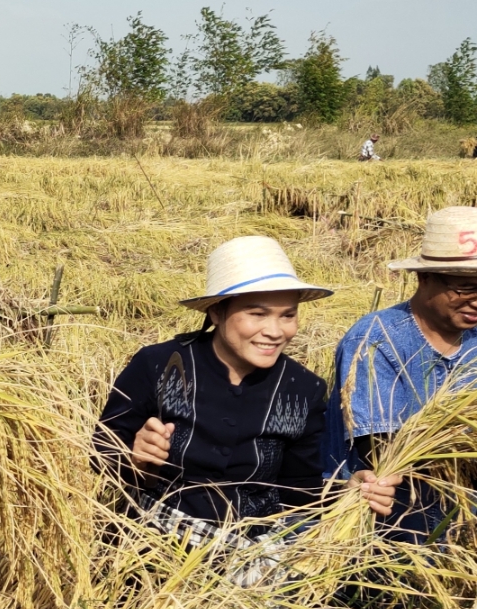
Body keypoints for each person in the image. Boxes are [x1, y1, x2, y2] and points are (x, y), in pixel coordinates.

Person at [95, 236, 395, 552]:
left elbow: (299, 495)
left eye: (288, 315)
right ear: (216, 313)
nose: (276, 331)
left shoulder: (301, 390)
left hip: (253, 552)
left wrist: (346, 492)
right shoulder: (160, 365)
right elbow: (101, 454)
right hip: (153, 544)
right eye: (257, 314)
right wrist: (135, 458)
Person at [325, 206, 477, 539]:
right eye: (465, 287)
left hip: (464, 512)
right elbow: (382, 454)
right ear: (424, 277)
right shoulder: (376, 341)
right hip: (394, 521)